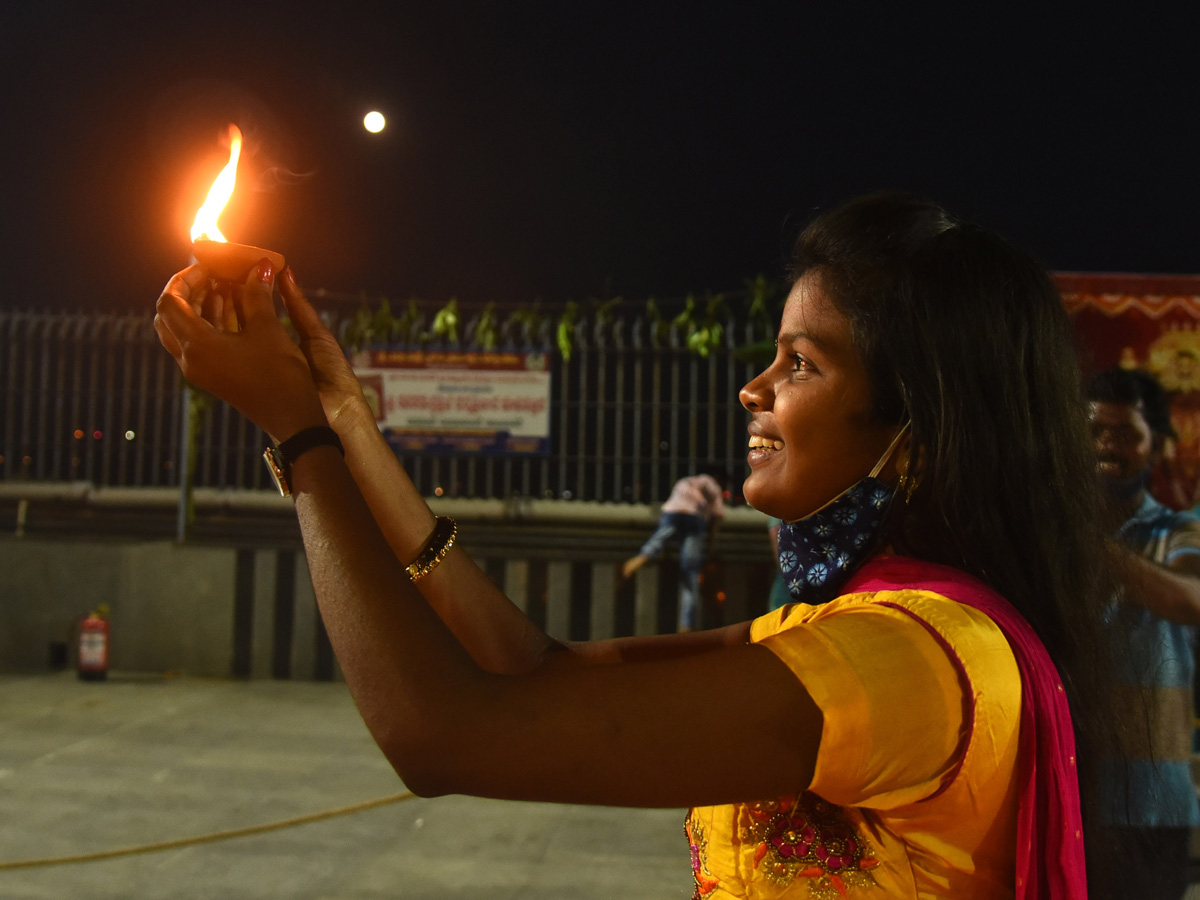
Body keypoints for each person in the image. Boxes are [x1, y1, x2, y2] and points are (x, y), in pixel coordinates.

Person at [154, 192, 1122, 899]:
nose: (755, 389)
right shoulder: (880, 629)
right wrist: (345, 420)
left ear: (917, 420)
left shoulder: (910, 657)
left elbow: (443, 737)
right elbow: (532, 664)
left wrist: (297, 438)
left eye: (801, 363)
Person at [1087, 367, 1200, 900]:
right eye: (1094, 432)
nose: (1108, 446)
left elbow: (1190, 598)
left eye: (1127, 434)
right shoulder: (1047, 540)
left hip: (1155, 806)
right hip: (1067, 796)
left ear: (1155, 445)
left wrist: (1090, 544)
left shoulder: (1177, 531)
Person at [621, 468, 726, 631]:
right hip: (695, 517)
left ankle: (646, 554)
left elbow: (670, 507)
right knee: (690, 572)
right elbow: (717, 516)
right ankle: (686, 624)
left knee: (662, 536)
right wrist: (712, 545)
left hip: (673, 513)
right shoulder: (714, 486)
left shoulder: (684, 481)